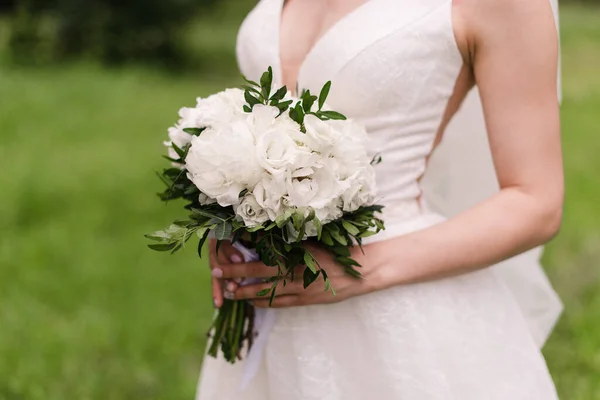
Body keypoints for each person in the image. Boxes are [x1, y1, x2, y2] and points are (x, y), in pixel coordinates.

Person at [198, 0, 563, 398]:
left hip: (400, 303)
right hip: (266, 300)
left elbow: (536, 203)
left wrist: (358, 268)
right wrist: (235, 212)